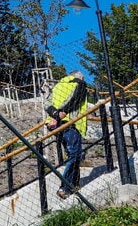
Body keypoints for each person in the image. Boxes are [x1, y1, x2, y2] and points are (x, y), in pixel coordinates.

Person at [45, 70, 88, 199]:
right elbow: (73, 100)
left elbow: (47, 103)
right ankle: (65, 187)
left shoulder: (57, 86)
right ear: (78, 76)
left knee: (72, 154)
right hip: (70, 123)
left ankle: (74, 184)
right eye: (82, 77)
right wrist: (59, 115)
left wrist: (53, 115)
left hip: (53, 124)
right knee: (75, 154)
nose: (83, 79)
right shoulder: (79, 84)